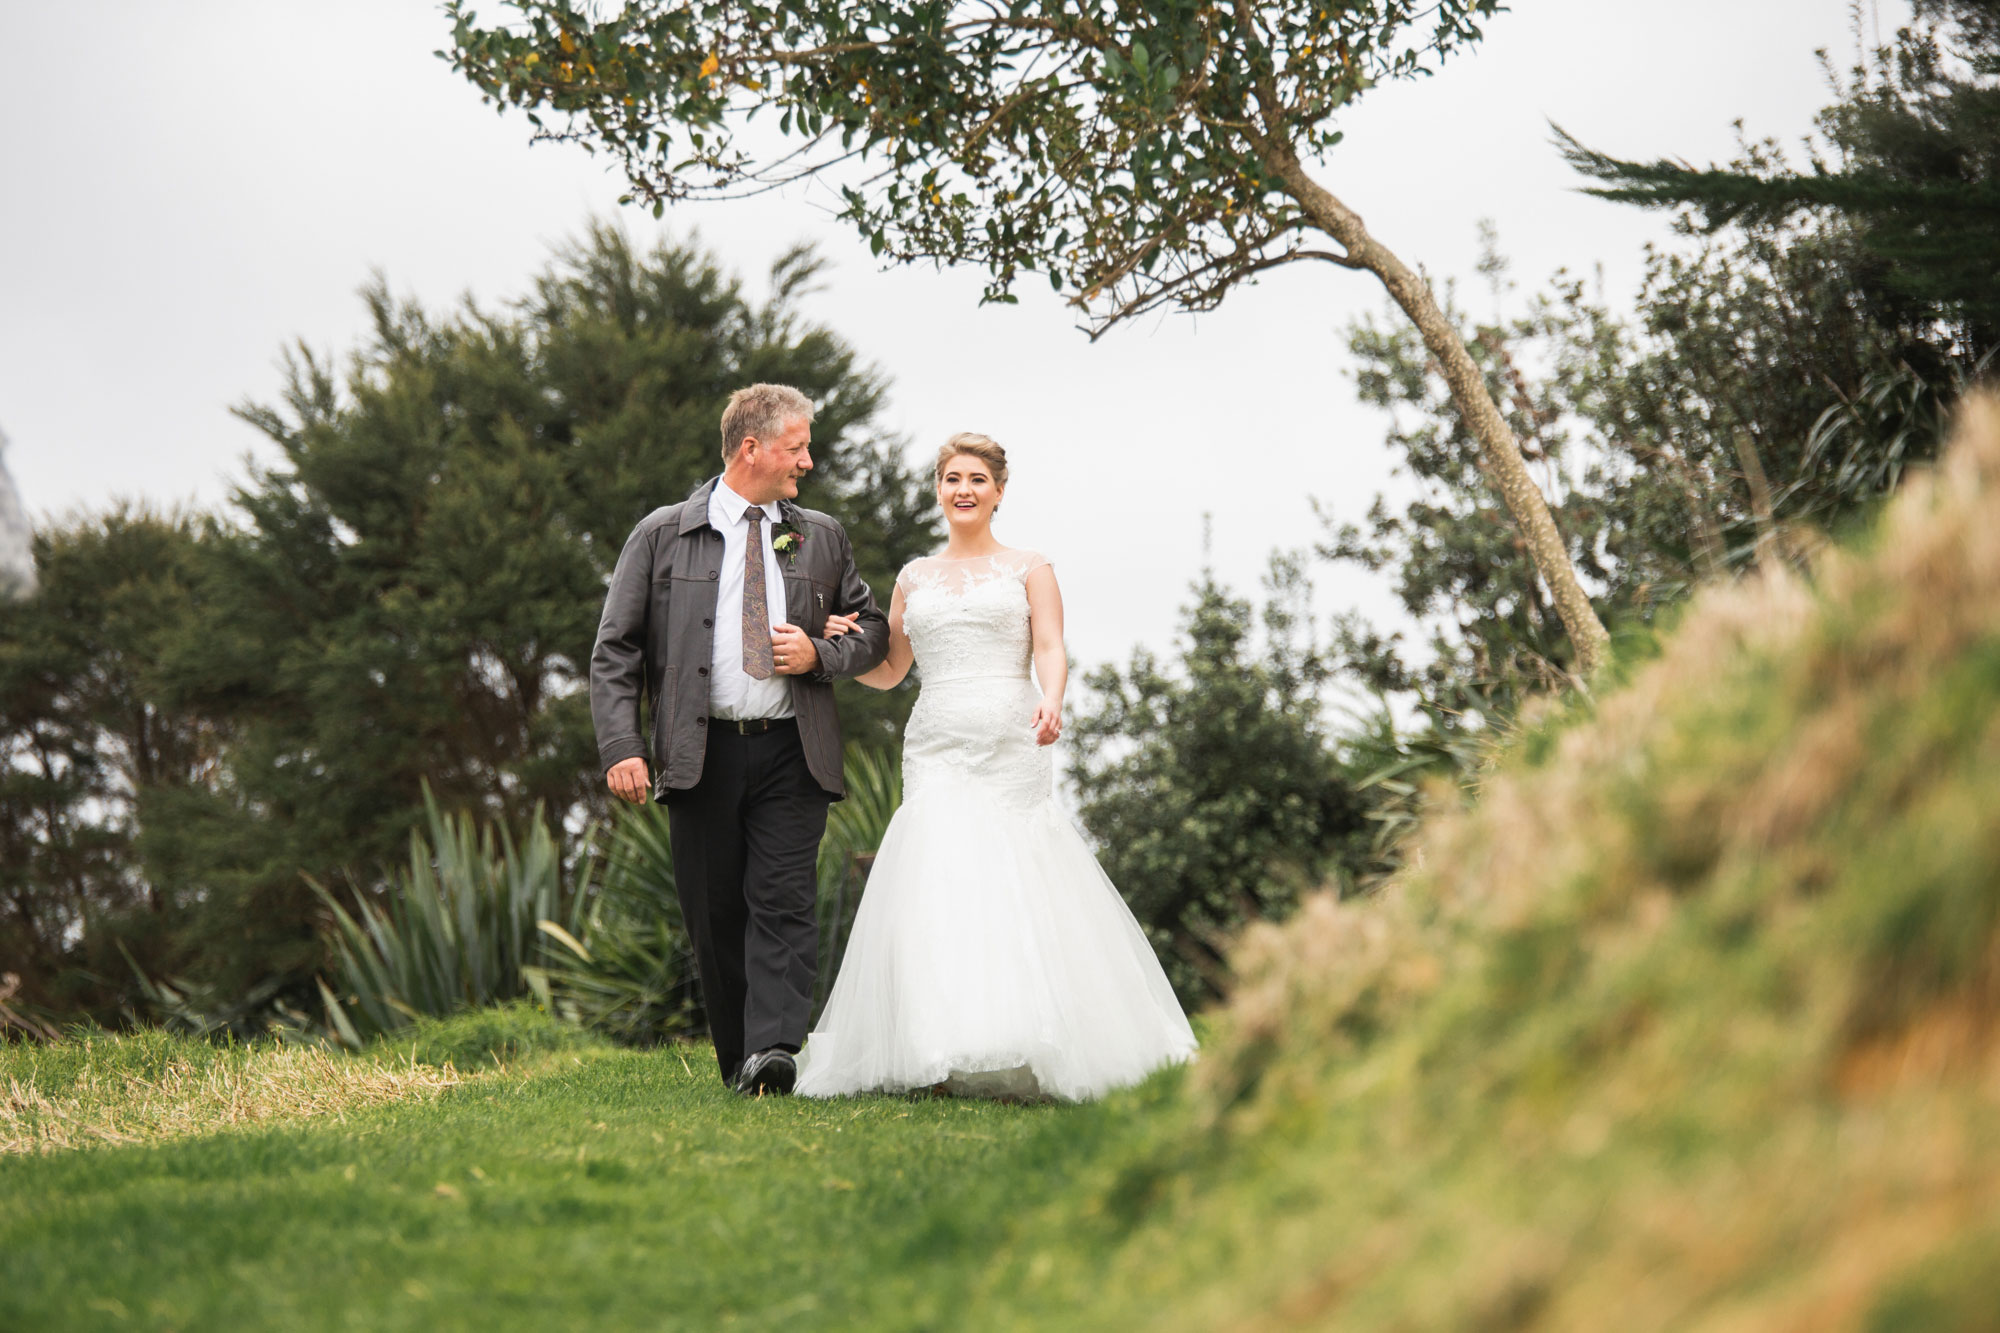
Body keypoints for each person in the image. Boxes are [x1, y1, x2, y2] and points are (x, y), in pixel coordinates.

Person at [796, 433, 1197, 1101]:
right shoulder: (915, 576)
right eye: (952, 477)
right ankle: (943, 1042)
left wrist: (1054, 700)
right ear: (938, 489)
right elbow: (893, 669)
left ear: (999, 491)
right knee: (940, 878)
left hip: (1011, 740)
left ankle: (1032, 1033)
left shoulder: (1030, 567)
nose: (964, 488)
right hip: (936, 745)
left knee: (1014, 871)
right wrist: (841, 652)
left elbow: (1049, 644)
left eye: (977, 478)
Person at [589, 384, 889, 1097]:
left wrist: (820, 653)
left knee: (783, 900)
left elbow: (872, 630)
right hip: (700, 753)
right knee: (715, 909)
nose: (808, 462)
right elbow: (615, 649)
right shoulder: (661, 533)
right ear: (751, 448)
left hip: (793, 750)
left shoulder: (822, 535)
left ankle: (776, 1051)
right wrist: (621, 745)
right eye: (797, 446)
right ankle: (741, 1063)